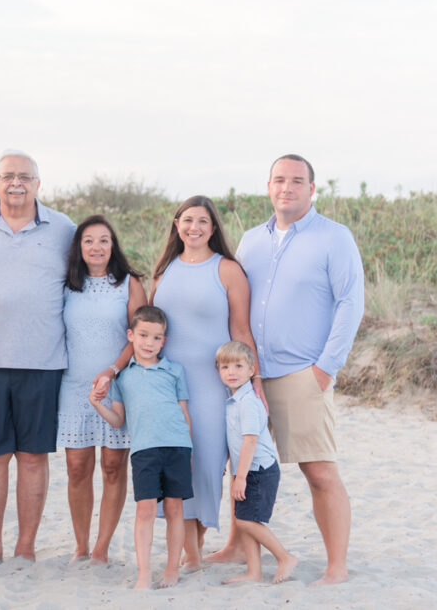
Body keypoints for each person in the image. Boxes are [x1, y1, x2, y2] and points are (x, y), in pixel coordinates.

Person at [235, 154, 364, 585]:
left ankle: (336, 565)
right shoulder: (251, 240)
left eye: (296, 181)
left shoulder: (334, 237)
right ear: (268, 186)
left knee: (319, 470)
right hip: (252, 375)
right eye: (278, 180)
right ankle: (239, 548)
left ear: (312, 188)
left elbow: (350, 302)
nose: (286, 188)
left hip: (302, 374)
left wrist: (326, 368)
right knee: (244, 465)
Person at [0, 149, 75, 569]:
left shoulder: (64, 228)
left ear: (39, 183)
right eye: (7, 176)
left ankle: (26, 547)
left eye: (25, 176)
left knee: (33, 457)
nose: (16, 183)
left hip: (43, 361)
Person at [149, 195, 262, 570]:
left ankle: (193, 547)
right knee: (177, 462)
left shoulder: (227, 269)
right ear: (176, 224)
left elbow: (242, 330)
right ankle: (191, 553)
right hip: (169, 385)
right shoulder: (163, 270)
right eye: (187, 220)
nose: (194, 227)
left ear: (213, 228)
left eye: (203, 221)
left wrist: (253, 387)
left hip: (214, 386)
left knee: (207, 462)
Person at [57, 215, 145, 565]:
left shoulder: (129, 284)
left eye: (104, 240)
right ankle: (80, 545)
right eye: (89, 240)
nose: (96, 247)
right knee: (77, 467)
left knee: (112, 466)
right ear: (79, 247)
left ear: (114, 245)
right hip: (73, 385)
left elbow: (138, 336)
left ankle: (101, 548)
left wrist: (112, 371)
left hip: (116, 384)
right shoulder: (66, 284)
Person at [89, 306, 193, 590]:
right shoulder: (123, 378)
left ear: (164, 341)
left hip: (177, 447)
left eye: (156, 338)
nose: (149, 343)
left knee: (174, 509)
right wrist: (98, 403)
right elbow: (118, 420)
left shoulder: (175, 370)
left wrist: (190, 450)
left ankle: (172, 569)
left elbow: (184, 414)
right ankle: (144, 573)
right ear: (131, 336)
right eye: (143, 335)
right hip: (144, 449)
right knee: (145, 509)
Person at [215, 340, 298, 585]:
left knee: (246, 520)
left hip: (259, 471)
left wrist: (239, 477)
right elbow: (234, 440)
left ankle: (285, 557)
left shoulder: (248, 402)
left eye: (238, 366)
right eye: (225, 367)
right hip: (247, 469)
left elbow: (249, 442)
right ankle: (254, 572)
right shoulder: (234, 400)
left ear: (252, 370)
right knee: (245, 519)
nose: (231, 372)